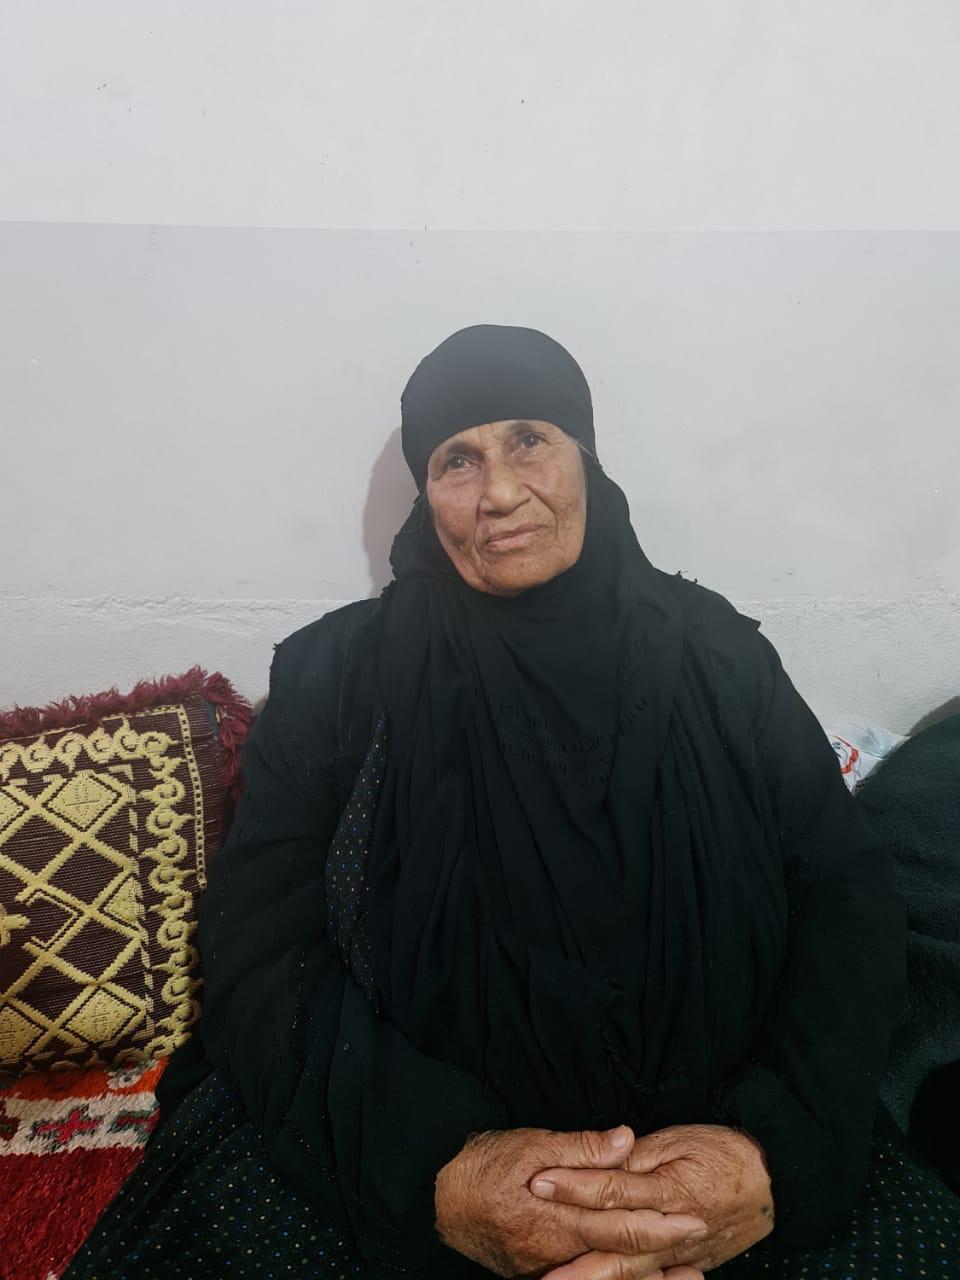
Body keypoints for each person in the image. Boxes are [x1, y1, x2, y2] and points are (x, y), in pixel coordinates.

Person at [66, 325, 954, 1280]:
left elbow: (844, 894)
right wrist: (439, 1171)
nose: (497, 492)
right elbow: (261, 942)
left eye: (530, 439)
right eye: (457, 459)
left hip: (726, 1158)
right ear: (427, 494)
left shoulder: (720, 658)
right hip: (394, 1162)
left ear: (585, 459)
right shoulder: (339, 679)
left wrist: (771, 1151)